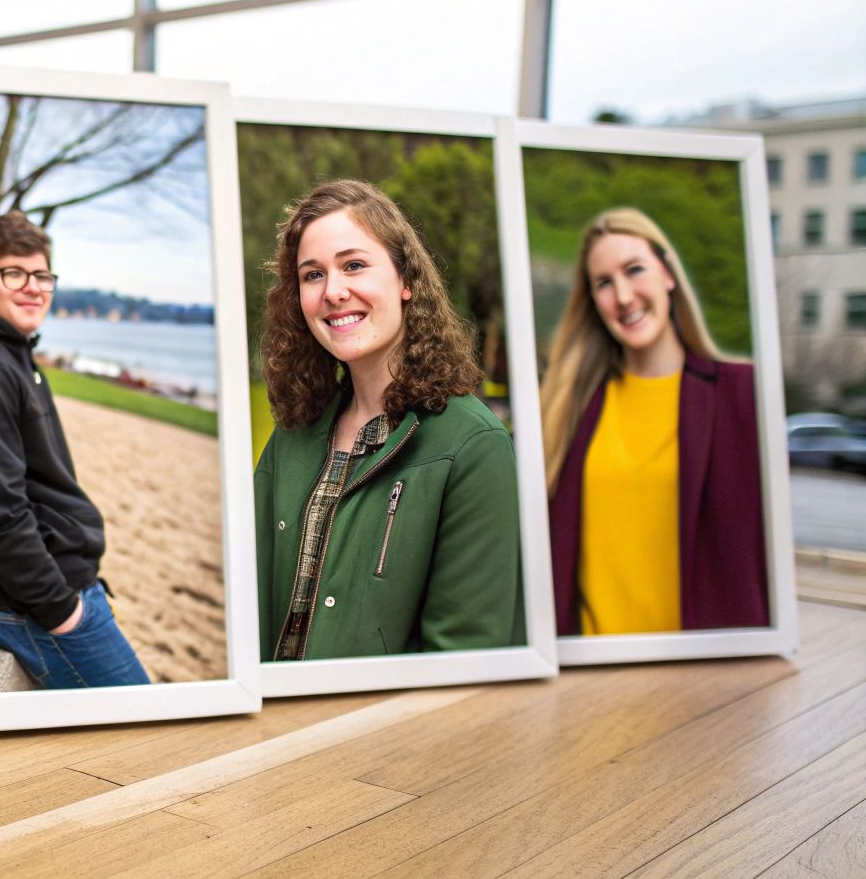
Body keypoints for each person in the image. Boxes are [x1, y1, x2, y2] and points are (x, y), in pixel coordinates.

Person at [255, 179, 522, 660]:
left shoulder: (473, 445)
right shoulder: (293, 433)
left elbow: (465, 655)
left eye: (354, 265)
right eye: (312, 275)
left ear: (405, 281)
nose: (333, 291)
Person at [0, 210, 150, 688]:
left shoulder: (13, 353)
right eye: (14, 273)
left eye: (42, 274)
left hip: (48, 584)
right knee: (145, 725)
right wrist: (61, 611)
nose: (33, 286)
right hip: (19, 600)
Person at [540, 208, 768, 635]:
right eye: (604, 283)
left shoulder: (742, 395)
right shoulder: (566, 407)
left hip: (705, 680)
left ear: (667, 274)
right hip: (590, 680)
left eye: (635, 270)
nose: (623, 296)